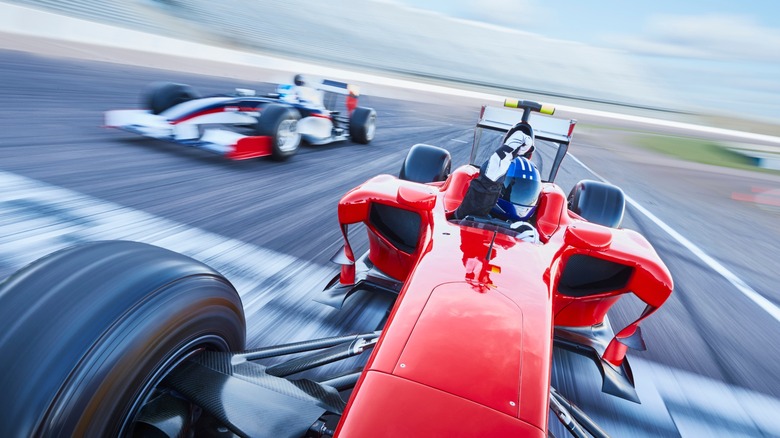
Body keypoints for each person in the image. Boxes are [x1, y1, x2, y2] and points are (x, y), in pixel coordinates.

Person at [454, 123, 541, 242]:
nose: (522, 194)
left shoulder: (532, 232)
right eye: (517, 189)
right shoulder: (468, 211)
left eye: (526, 190)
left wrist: (537, 245)